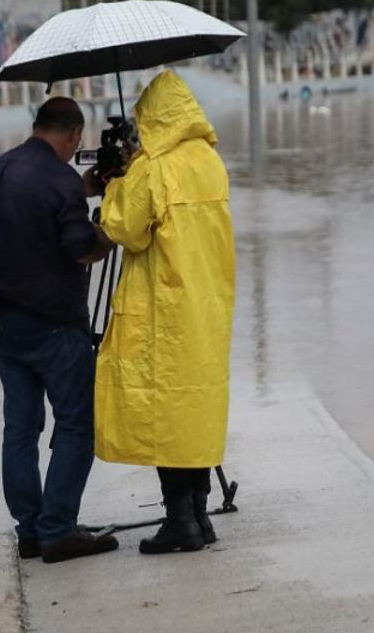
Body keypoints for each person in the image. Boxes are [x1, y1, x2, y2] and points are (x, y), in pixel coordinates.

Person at [93, 71, 236, 554]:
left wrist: (117, 184)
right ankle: (199, 515)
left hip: (164, 309)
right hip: (207, 305)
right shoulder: (210, 162)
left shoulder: (154, 168)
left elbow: (124, 228)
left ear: (153, 117)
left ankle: (181, 521)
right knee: (195, 407)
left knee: (167, 411)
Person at [0, 96, 117, 564]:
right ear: (75, 134)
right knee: (76, 425)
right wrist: (112, 229)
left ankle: (31, 532)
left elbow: (31, 216)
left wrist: (80, 189)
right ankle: (58, 530)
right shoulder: (60, 181)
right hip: (56, 326)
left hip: (5, 322)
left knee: (20, 427)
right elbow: (80, 248)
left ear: (37, 126)